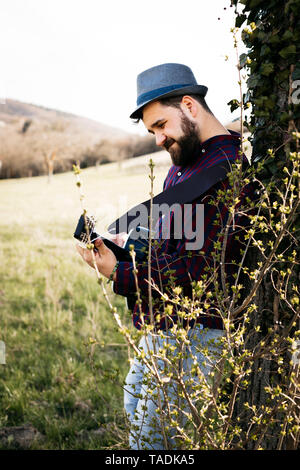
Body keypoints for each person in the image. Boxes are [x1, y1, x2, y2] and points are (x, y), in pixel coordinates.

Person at [76, 63, 255, 450]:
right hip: (165, 326)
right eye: (152, 130)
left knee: (152, 443)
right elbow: (173, 243)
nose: (158, 139)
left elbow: (198, 269)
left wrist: (118, 274)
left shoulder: (226, 171)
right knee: (135, 412)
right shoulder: (185, 165)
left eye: (161, 125)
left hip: (197, 334)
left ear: (189, 106)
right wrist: (128, 246)